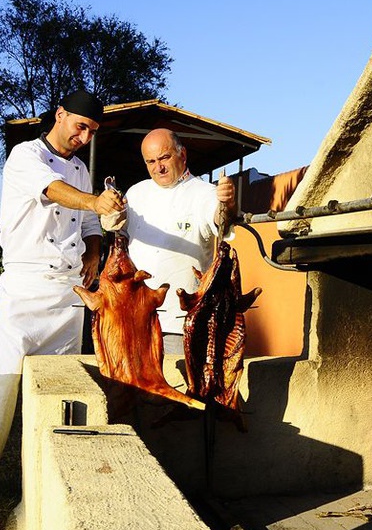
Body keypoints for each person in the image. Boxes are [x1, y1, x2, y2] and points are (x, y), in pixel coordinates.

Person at [0, 90, 125, 455]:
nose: (84, 138)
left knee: (61, 396)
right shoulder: (25, 155)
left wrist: (95, 251)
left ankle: (52, 464)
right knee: (3, 390)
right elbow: (54, 190)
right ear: (60, 114)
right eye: (81, 126)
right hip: (24, 291)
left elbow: (88, 222)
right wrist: (95, 202)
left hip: (67, 295)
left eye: (92, 132)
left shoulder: (81, 169)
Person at [105, 128, 236, 355]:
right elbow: (118, 232)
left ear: (182, 155)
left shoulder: (204, 192)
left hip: (180, 320)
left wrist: (227, 203)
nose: (159, 167)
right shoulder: (137, 192)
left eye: (165, 157)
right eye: (151, 161)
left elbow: (220, 219)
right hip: (135, 317)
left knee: (179, 385)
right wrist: (110, 212)